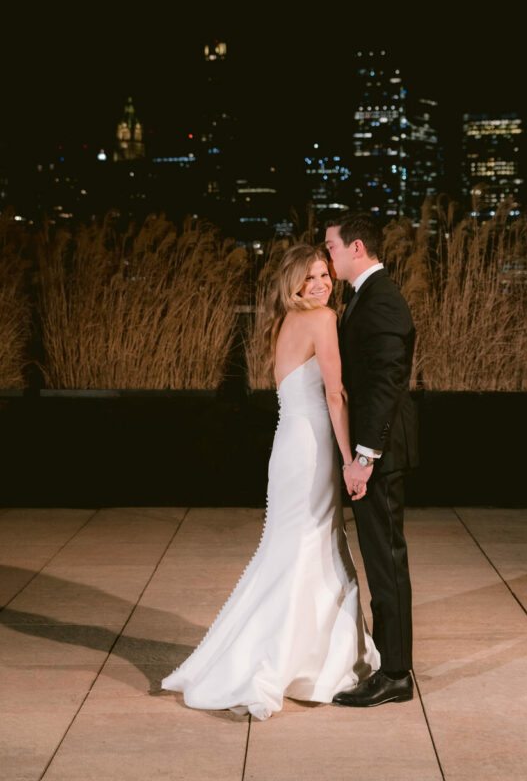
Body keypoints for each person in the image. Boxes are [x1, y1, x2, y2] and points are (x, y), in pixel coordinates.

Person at [161, 244, 379, 719]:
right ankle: (289, 659)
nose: (322, 284)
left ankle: (295, 654)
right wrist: (349, 459)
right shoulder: (321, 319)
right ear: (295, 284)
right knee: (307, 546)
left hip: (288, 443)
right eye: (311, 278)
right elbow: (336, 395)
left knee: (295, 547)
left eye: (326, 275)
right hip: (314, 445)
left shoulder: (283, 322)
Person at [324, 213, 418, 707]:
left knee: (386, 559)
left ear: (356, 247)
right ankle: (391, 664)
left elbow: (386, 381)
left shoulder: (380, 299)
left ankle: (396, 674)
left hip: (378, 453)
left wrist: (364, 458)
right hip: (374, 449)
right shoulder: (367, 295)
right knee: (383, 556)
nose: (327, 255)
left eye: (331, 247)